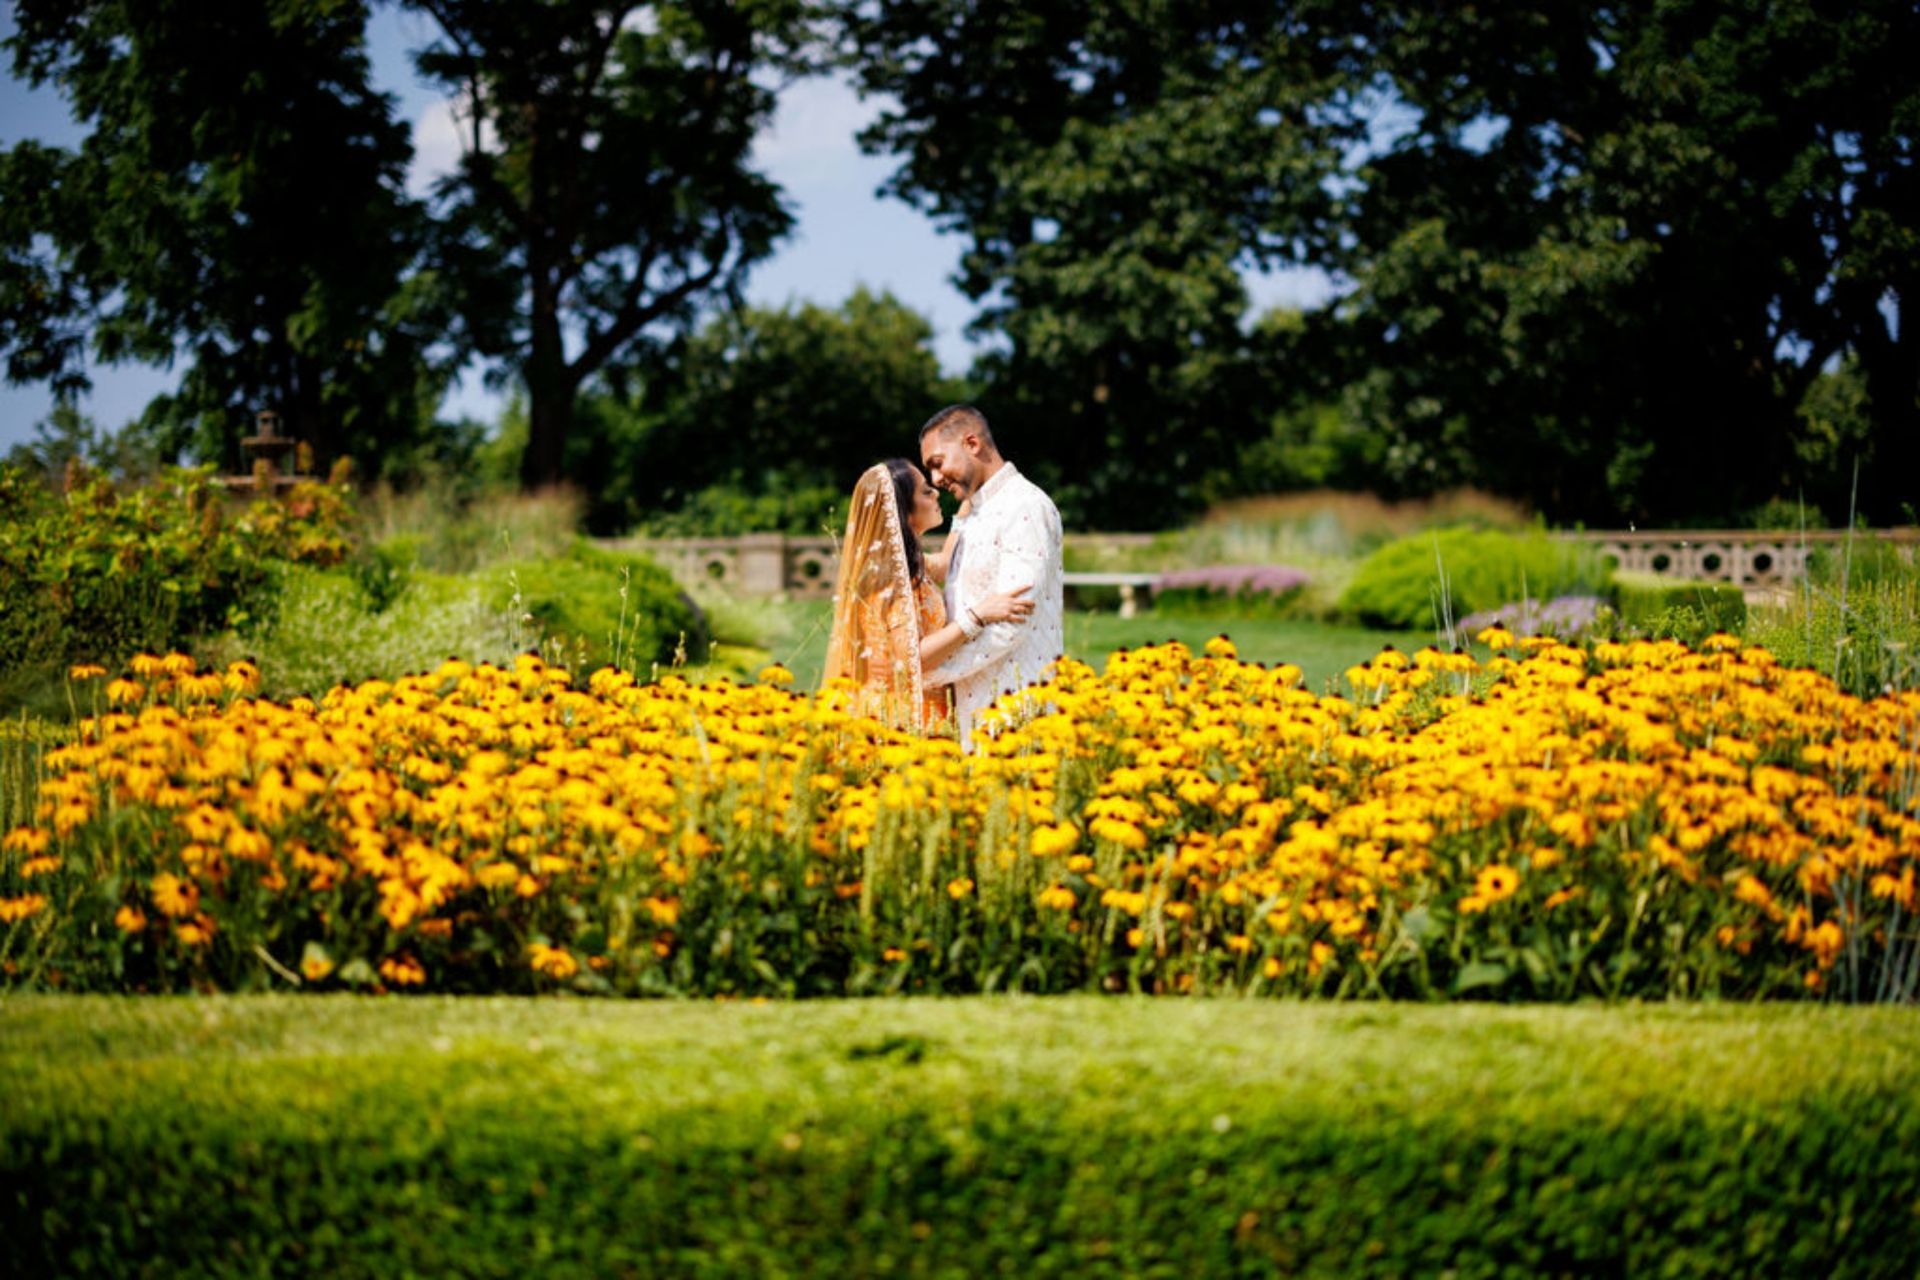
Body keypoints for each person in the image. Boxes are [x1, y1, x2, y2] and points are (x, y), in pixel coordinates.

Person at [822, 457, 1034, 733]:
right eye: (924, 490)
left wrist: (970, 498)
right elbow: (914, 659)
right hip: (900, 722)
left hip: (924, 710)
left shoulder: (907, 567)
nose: (935, 491)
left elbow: (946, 562)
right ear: (904, 511)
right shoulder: (889, 583)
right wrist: (979, 615)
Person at [918, 405, 1064, 749]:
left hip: (1017, 713)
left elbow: (1013, 623)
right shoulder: (972, 513)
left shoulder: (1025, 506)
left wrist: (927, 672)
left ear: (972, 443)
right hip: (974, 711)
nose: (936, 479)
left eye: (937, 463)